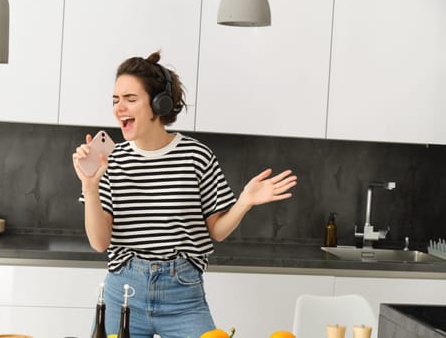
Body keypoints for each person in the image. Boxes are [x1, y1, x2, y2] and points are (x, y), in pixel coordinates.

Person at [72, 51, 297, 338]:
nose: (119, 108)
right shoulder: (110, 161)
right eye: (115, 100)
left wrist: (244, 202)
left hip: (183, 295)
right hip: (124, 293)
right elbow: (99, 242)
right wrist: (90, 188)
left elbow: (216, 230)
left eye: (130, 99)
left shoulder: (196, 156)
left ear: (158, 104)